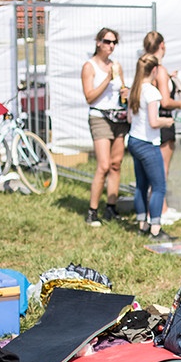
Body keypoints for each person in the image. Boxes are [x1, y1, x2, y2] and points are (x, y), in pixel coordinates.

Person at [81, 27, 129, 227]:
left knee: (116, 164)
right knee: (103, 165)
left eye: (114, 42)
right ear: (98, 42)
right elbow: (89, 97)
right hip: (99, 116)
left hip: (118, 116)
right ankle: (92, 210)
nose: (111, 46)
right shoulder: (89, 66)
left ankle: (111, 206)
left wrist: (126, 93)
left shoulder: (116, 65)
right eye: (107, 42)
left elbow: (122, 89)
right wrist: (107, 79)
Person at [127, 54, 175, 241]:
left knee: (141, 185)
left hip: (134, 140)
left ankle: (142, 224)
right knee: (159, 187)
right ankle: (155, 228)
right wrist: (168, 121)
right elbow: (154, 122)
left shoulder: (135, 90)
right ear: (154, 70)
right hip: (148, 144)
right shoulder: (153, 93)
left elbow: (130, 119)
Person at [144, 31, 181, 225]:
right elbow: (165, 101)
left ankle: (161, 208)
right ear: (162, 45)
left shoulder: (148, 67)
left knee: (158, 170)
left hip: (153, 122)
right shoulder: (159, 69)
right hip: (164, 121)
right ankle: (157, 211)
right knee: (162, 170)